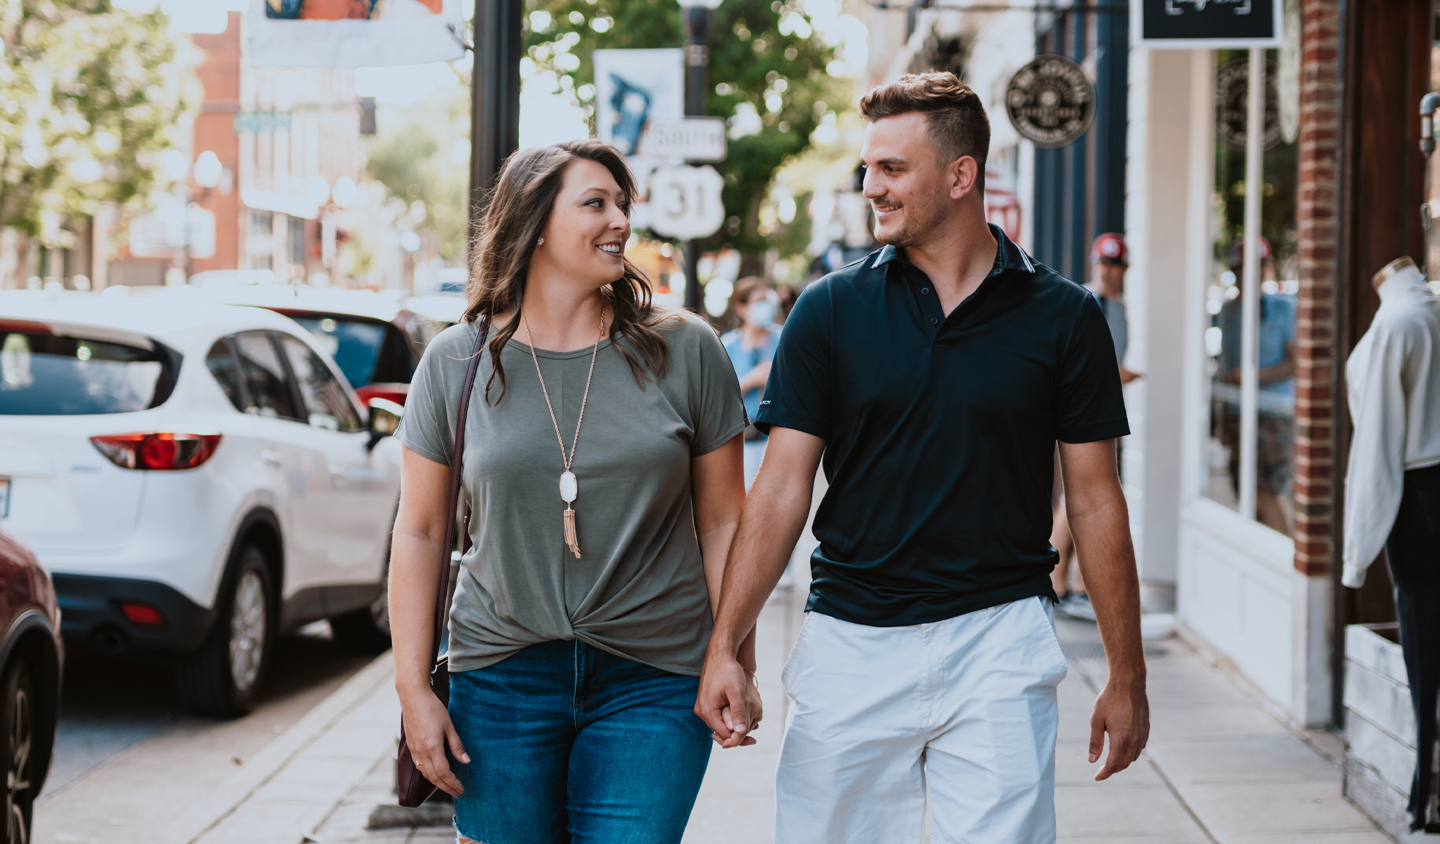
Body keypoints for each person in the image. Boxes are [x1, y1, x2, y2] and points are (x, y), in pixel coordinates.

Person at [696, 72, 1149, 843]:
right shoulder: (829, 310)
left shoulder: (1064, 316)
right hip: (852, 638)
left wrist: (1126, 674)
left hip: (1000, 637)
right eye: (868, 168)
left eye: (892, 169)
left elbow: (1097, 499)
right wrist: (724, 647)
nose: (871, 187)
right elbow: (777, 492)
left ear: (960, 175)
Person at [390, 140, 756, 844]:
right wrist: (413, 689)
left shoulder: (686, 349)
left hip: (655, 675)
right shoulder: (455, 361)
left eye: (624, 204)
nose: (620, 220)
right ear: (534, 222)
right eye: (596, 203)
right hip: (499, 676)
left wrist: (733, 654)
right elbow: (421, 531)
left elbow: (723, 521)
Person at [1341, 256, 1440, 833]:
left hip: (1419, 499)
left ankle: (1423, 798)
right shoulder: (1424, 310)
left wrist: (1357, 555)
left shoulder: (1399, 322)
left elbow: (1377, 444)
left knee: (1423, 650)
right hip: (1425, 488)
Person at [1053, 233, 1139, 622]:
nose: (1109, 271)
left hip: (1101, 413)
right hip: (1075, 415)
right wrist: (1120, 375)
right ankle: (1057, 583)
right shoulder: (1083, 302)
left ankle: (1071, 585)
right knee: (1079, 499)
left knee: (1088, 498)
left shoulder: (1119, 308)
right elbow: (1082, 365)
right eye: (1103, 264)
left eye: (1115, 265)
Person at [1215, 237, 1297, 533]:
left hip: (1274, 413)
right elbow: (1224, 366)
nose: (1247, 275)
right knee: (1245, 491)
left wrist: (1252, 377)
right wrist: (1222, 415)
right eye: (1240, 269)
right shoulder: (1228, 311)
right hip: (1239, 413)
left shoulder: (1284, 308)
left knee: (1269, 492)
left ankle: (1289, 561)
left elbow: (1296, 363)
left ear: (1266, 270)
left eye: (1255, 267)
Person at [721, 277, 783, 490]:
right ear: (741, 308)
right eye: (758, 301)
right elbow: (717, 395)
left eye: (766, 300)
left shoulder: (783, 338)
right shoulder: (727, 345)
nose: (764, 307)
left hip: (777, 438)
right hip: (741, 441)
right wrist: (749, 380)